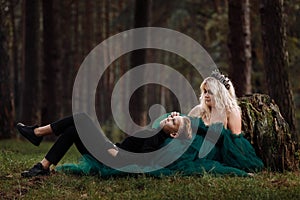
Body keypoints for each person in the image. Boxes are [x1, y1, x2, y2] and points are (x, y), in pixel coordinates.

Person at [17, 113, 192, 177]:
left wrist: (118, 154)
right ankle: (43, 166)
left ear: (174, 133)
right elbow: (164, 124)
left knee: (82, 118)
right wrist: (178, 118)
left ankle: (36, 133)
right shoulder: (157, 133)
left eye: (173, 121)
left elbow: (144, 161)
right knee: (72, 130)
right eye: (171, 117)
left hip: (111, 159)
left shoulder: (156, 140)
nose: (168, 118)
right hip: (111, 151)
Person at [188, 69, 242, 134]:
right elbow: (184, 129)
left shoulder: (231, 111)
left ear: (220, 93)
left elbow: (236, 139)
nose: (206, 95)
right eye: (205, 91)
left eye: (210, 92)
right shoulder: (197, 110)